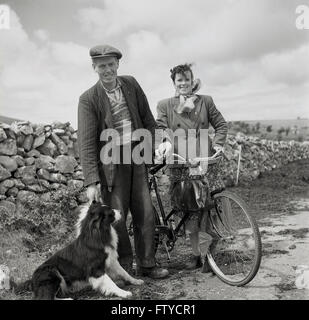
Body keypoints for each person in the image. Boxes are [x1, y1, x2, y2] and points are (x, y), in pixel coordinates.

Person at [77, 44, 169, 279]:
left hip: (137, 157)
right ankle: (126, 266)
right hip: (111, 165)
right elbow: (86, 142)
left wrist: (151, 149)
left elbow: (148, 120)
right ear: (94, 68)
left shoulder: (131, 84)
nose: (107, 69)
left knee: (146, 213)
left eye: (110, 64)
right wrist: (91, 182)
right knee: (117, 218)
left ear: (117, 64)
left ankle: (147, 264)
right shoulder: (88, 99)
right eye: (101, 66)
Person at [156, 63, 228, 270]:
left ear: (192, 80)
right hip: (179, 164)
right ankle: (196, 254)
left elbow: (221, 125)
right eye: (179, 80)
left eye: (187, 79)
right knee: (188, 213)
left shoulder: (205, 101)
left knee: (208, 210)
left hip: (204, 163)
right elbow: (160, 128)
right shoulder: (164, 105)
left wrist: (218, 144)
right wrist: (164, 142)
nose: (184, 83)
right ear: (174, 83)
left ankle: (210, 256)